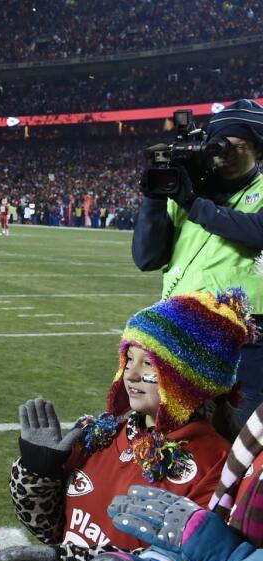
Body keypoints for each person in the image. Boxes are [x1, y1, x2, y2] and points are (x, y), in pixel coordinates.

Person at [0, 291, 251, 561]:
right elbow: (49, 529)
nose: (130, 374)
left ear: (190, 378)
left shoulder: (216, 463)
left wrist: (71, 559)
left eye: (148, 363)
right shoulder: (102, 435)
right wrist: (38, 472)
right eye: (129, 359)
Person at [134, 99, 263, 425]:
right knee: (182, 435)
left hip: (246, 338)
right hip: (181, 333)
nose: (227, 155)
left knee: (242, 442)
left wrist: (193, 203)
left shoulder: (199, 198)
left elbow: (256, 230)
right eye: (220, 146)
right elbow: (146, 257)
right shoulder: (188, 191)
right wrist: (154, 195)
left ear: (259, 152)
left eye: (240, 146)